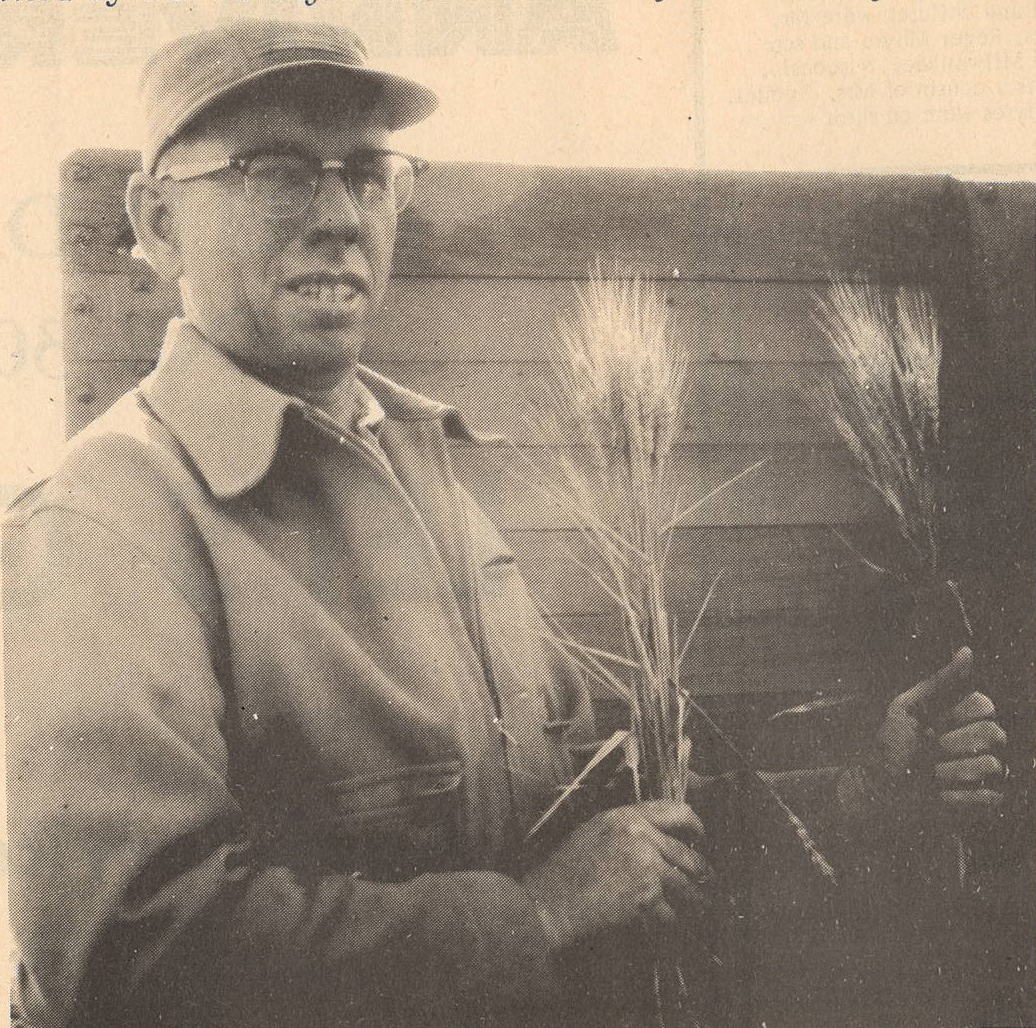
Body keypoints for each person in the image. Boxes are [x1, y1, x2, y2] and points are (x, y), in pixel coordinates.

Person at [3, 19, 1007, 1028]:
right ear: (158, 221)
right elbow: (129, 952)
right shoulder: (107, 522)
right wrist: (533, 913)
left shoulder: (431, 478)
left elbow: (599, 825)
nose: (339, 218)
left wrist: (862, 795)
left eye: (366, 172)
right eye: (275, 170)